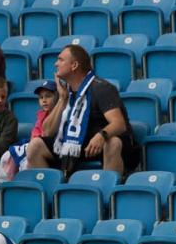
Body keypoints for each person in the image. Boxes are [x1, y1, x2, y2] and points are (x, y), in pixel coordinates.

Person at [26, 45, 141, 176]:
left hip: (103, 144)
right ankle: (52, 192)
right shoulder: (63, 91)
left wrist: (101, 136)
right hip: (76, 143)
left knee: (112, 142)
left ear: (74, 65)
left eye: (61, 60)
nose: (56, 63)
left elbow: (119, 124)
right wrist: (62, 99)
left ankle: (108, 191)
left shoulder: (102, 88)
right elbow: (47, 131)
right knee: (35, 146)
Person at [0, 79, 59, 181]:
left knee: (26, 161)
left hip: (49, 149)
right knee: (8, 156)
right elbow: (34, 136)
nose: (44, 100)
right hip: (34, 146)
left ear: (57, 97)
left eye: (48, 96)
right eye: (41, 97)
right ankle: (8, 184)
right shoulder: (41, 115)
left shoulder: (60, 114)